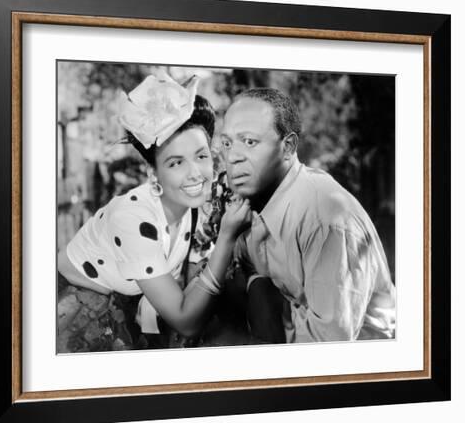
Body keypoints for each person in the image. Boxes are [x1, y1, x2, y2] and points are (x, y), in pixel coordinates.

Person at [58, 73, 251, 339]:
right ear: (153, 173)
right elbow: (187, 322)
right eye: (175, 163)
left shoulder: (191, 203)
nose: (195, 173)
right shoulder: (133, 218)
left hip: (127, 303)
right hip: (74, 314)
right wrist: (227, 237)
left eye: (201, 156)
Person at [220, 88, 396, 342]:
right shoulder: (255, 205)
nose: (233, 157)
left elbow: (330, 343)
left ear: (288, 146)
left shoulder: (325, 219)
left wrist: (261, 300)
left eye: (249, 142)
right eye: (227, 143)